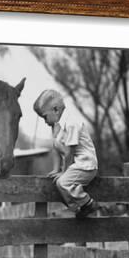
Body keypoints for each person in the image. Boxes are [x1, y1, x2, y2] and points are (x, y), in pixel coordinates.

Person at [33, 89, 99, 218]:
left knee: (63, 183)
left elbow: (69, 152)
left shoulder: (71, 123)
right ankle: (77, 208)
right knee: (57, 183)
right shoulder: (59, 126)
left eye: (45, 117)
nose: (45, 122)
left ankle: (87, 203)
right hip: (77, 166)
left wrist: (64, 171)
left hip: (86, 165)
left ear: (56, 110)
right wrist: (56, 169)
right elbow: (56, 149)